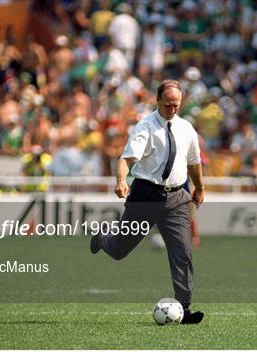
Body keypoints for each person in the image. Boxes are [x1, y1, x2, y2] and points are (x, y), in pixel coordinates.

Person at [90, 80, 205, 324]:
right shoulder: (145, 127)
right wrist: (121, 181)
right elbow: (126, 159)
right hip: (145, 196)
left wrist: (200, 187)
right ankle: (103, 238)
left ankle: (184, 308)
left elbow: (194, 163)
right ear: (157, 101)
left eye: (176, 105)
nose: (172, 109)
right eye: (167, 105)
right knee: (120, 250)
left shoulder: (187, 129)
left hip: (177, 198)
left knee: (183, 251)